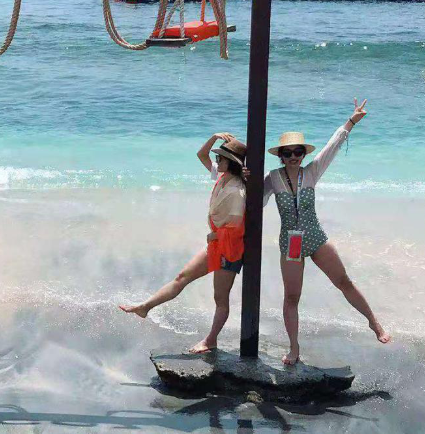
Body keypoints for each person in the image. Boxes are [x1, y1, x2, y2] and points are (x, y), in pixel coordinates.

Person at [263, 99, 391, 365]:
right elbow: (254, 201)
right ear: (280, 156)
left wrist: (351, 121)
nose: (293, 156)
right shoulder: (273, 178)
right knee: (291, 297)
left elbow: (333, 146)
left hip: (315, 237)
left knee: (344, 282)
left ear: (304, 154)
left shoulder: (311, 172)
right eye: (288, 153)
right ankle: (294, 348)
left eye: (298, 151)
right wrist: (242, 176)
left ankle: (374, 322)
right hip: (290, 244)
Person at [120, 133, 247, 353]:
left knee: (220, 298)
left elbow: (236, 225)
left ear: (231, 162)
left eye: (221, 158)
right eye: (217, 157)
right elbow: (201, 155)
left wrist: (214, 236)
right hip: (216, 244)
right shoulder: (222, 177)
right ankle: (145, 307)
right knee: (182, 277)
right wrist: (214, 137)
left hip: (229, 248)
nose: (216, 161)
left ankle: (210, 340)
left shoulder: (237, 190)